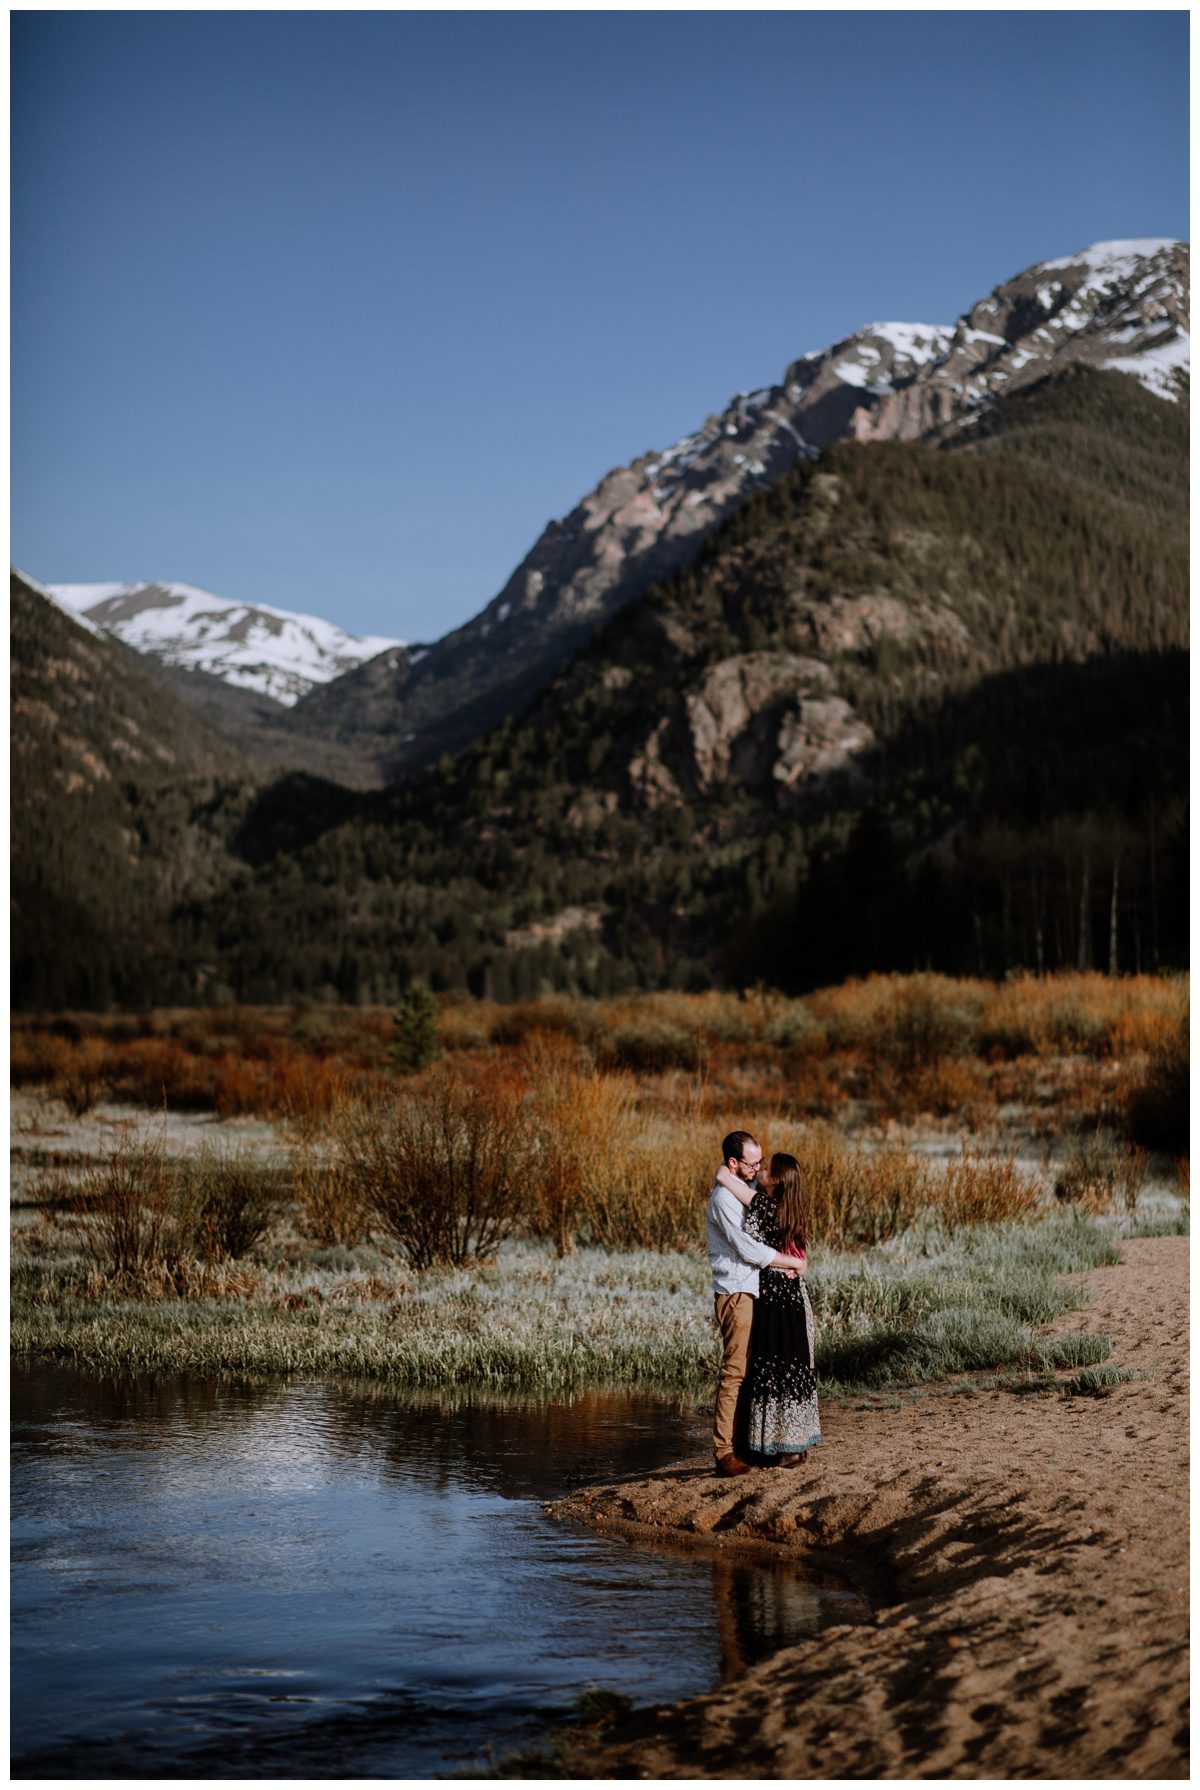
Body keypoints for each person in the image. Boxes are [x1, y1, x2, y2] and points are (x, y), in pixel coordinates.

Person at [705, 1130, 803, 1478]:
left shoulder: (741, 1189)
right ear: (734, 1163)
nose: (758, 1168)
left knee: (748, 1370)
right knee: (735, 1372)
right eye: (752, 1163)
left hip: (749, 1289)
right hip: (735, 1290)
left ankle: (744, 1445)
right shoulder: (724, 1200)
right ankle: (723, 1452)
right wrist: (789, 1262)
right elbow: (748, 1250)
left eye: (761, 1162)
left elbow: (771, 1211)